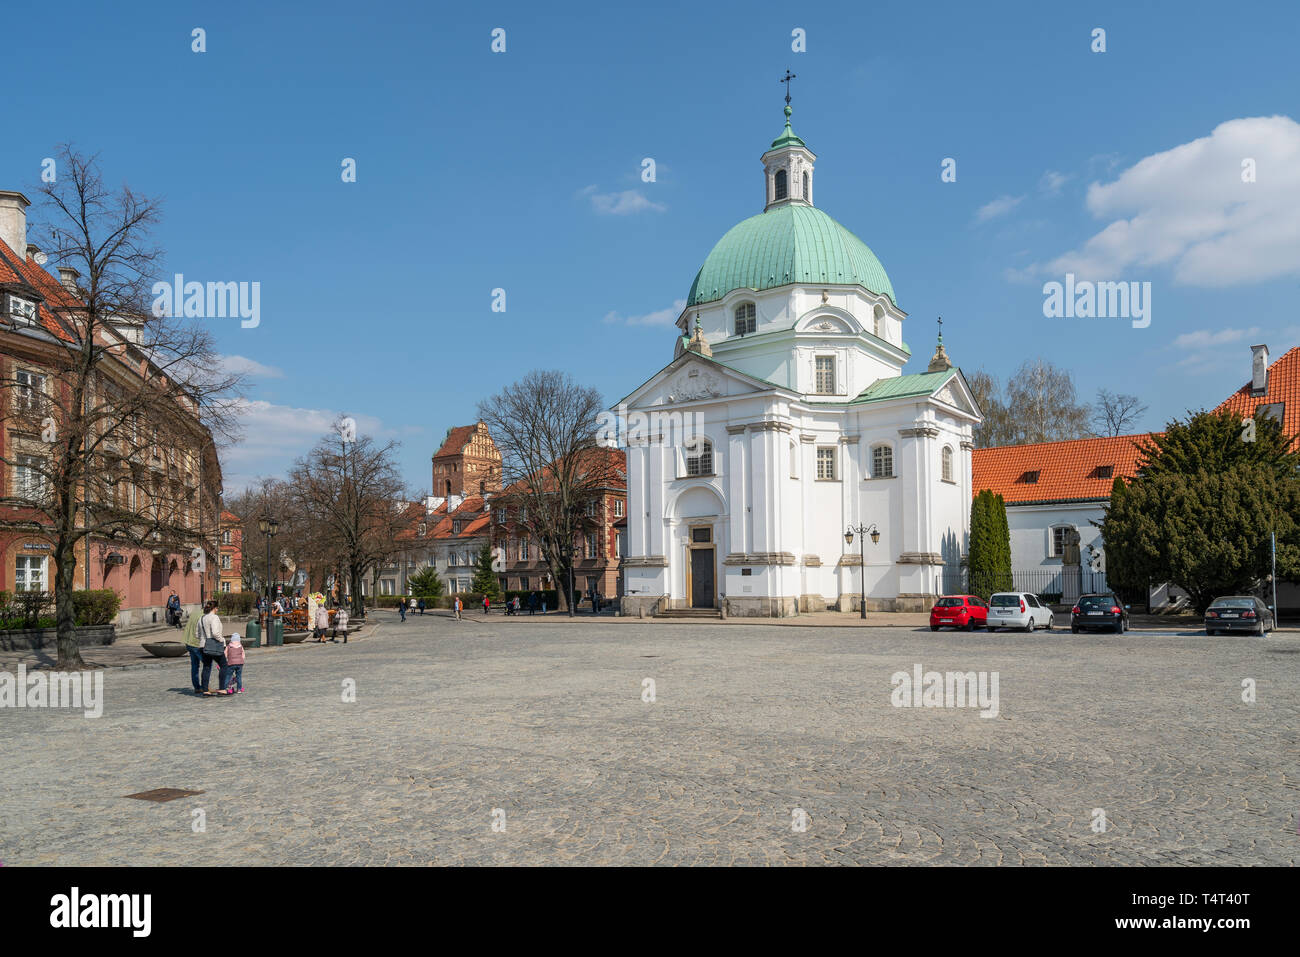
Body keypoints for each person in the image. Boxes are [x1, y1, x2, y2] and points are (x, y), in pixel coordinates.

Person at [198, 600, 227, 695]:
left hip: (203, 645)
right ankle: (222, 688)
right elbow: (215, 632)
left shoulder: (201, 618)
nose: (217, 610)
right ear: (214, 608)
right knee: (224, 665)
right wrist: (221, 640)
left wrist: (203, 639)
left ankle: (205, 689)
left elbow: (196, 633)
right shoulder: (214, 617)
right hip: (213, 645)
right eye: (217, 608)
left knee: (206, 667)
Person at [182, 602, 204, 693]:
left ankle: (197, 687)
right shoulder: (204, 617)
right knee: (207, 665)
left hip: (189, 642)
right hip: (197, 644)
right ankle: (204, 686)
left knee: (194, 666)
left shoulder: (195, 613)